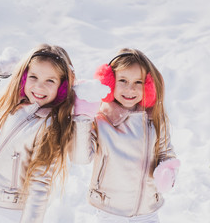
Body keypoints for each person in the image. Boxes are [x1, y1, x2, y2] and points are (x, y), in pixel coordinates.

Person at [0, 44, 76, 223]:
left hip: (8, 211)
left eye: (50, 81)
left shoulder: (50, 127)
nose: (39, 86)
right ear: (23, 78)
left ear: (62, 87)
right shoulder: (6, 106)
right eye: (33, 77)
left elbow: (40, 184)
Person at [70, 48, 180, 223]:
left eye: (139, 82)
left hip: (148, 211)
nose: (131, 89)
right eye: (123, 80)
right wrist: (82, 120)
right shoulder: (101, 120)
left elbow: (165, 151)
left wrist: (168, 169)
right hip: (110, 211)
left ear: (149, 86)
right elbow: (81, 157)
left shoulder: (155, 119)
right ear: (110, 82)